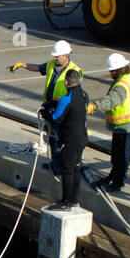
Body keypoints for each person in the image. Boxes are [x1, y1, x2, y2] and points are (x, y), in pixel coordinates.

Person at [10, 40, 81, 162]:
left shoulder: (74, 72)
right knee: (52, 137)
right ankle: (55, 163)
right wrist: (23, 65)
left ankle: (60, 166)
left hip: (63, 112)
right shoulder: (51, 64)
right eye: (54, 56)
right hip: (50, 109)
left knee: (61, 139)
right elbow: (38, 68)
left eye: (57, 56)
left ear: (66, 56)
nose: (55, 58)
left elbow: (76, 95)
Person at [85, 52, 130, 192]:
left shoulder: (121, 85)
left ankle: (118, 182)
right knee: (117, 153)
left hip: (126, 124)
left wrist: (94, 106)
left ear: (119, 69)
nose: (110, 73)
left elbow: (111, 101)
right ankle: (113, 175)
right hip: (125, 123)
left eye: (112, 71)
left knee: (122, 156)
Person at [44, 69, 89, 210]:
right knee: (75, 169)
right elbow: (72, 109)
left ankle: (66, 201)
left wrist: (45, 112)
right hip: (82, 138)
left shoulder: (66, 98)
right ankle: (74, 200)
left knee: (67, 170)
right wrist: (54, 104)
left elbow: (56, 119)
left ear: (65, 82)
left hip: (70, 140)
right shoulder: (83, 95)